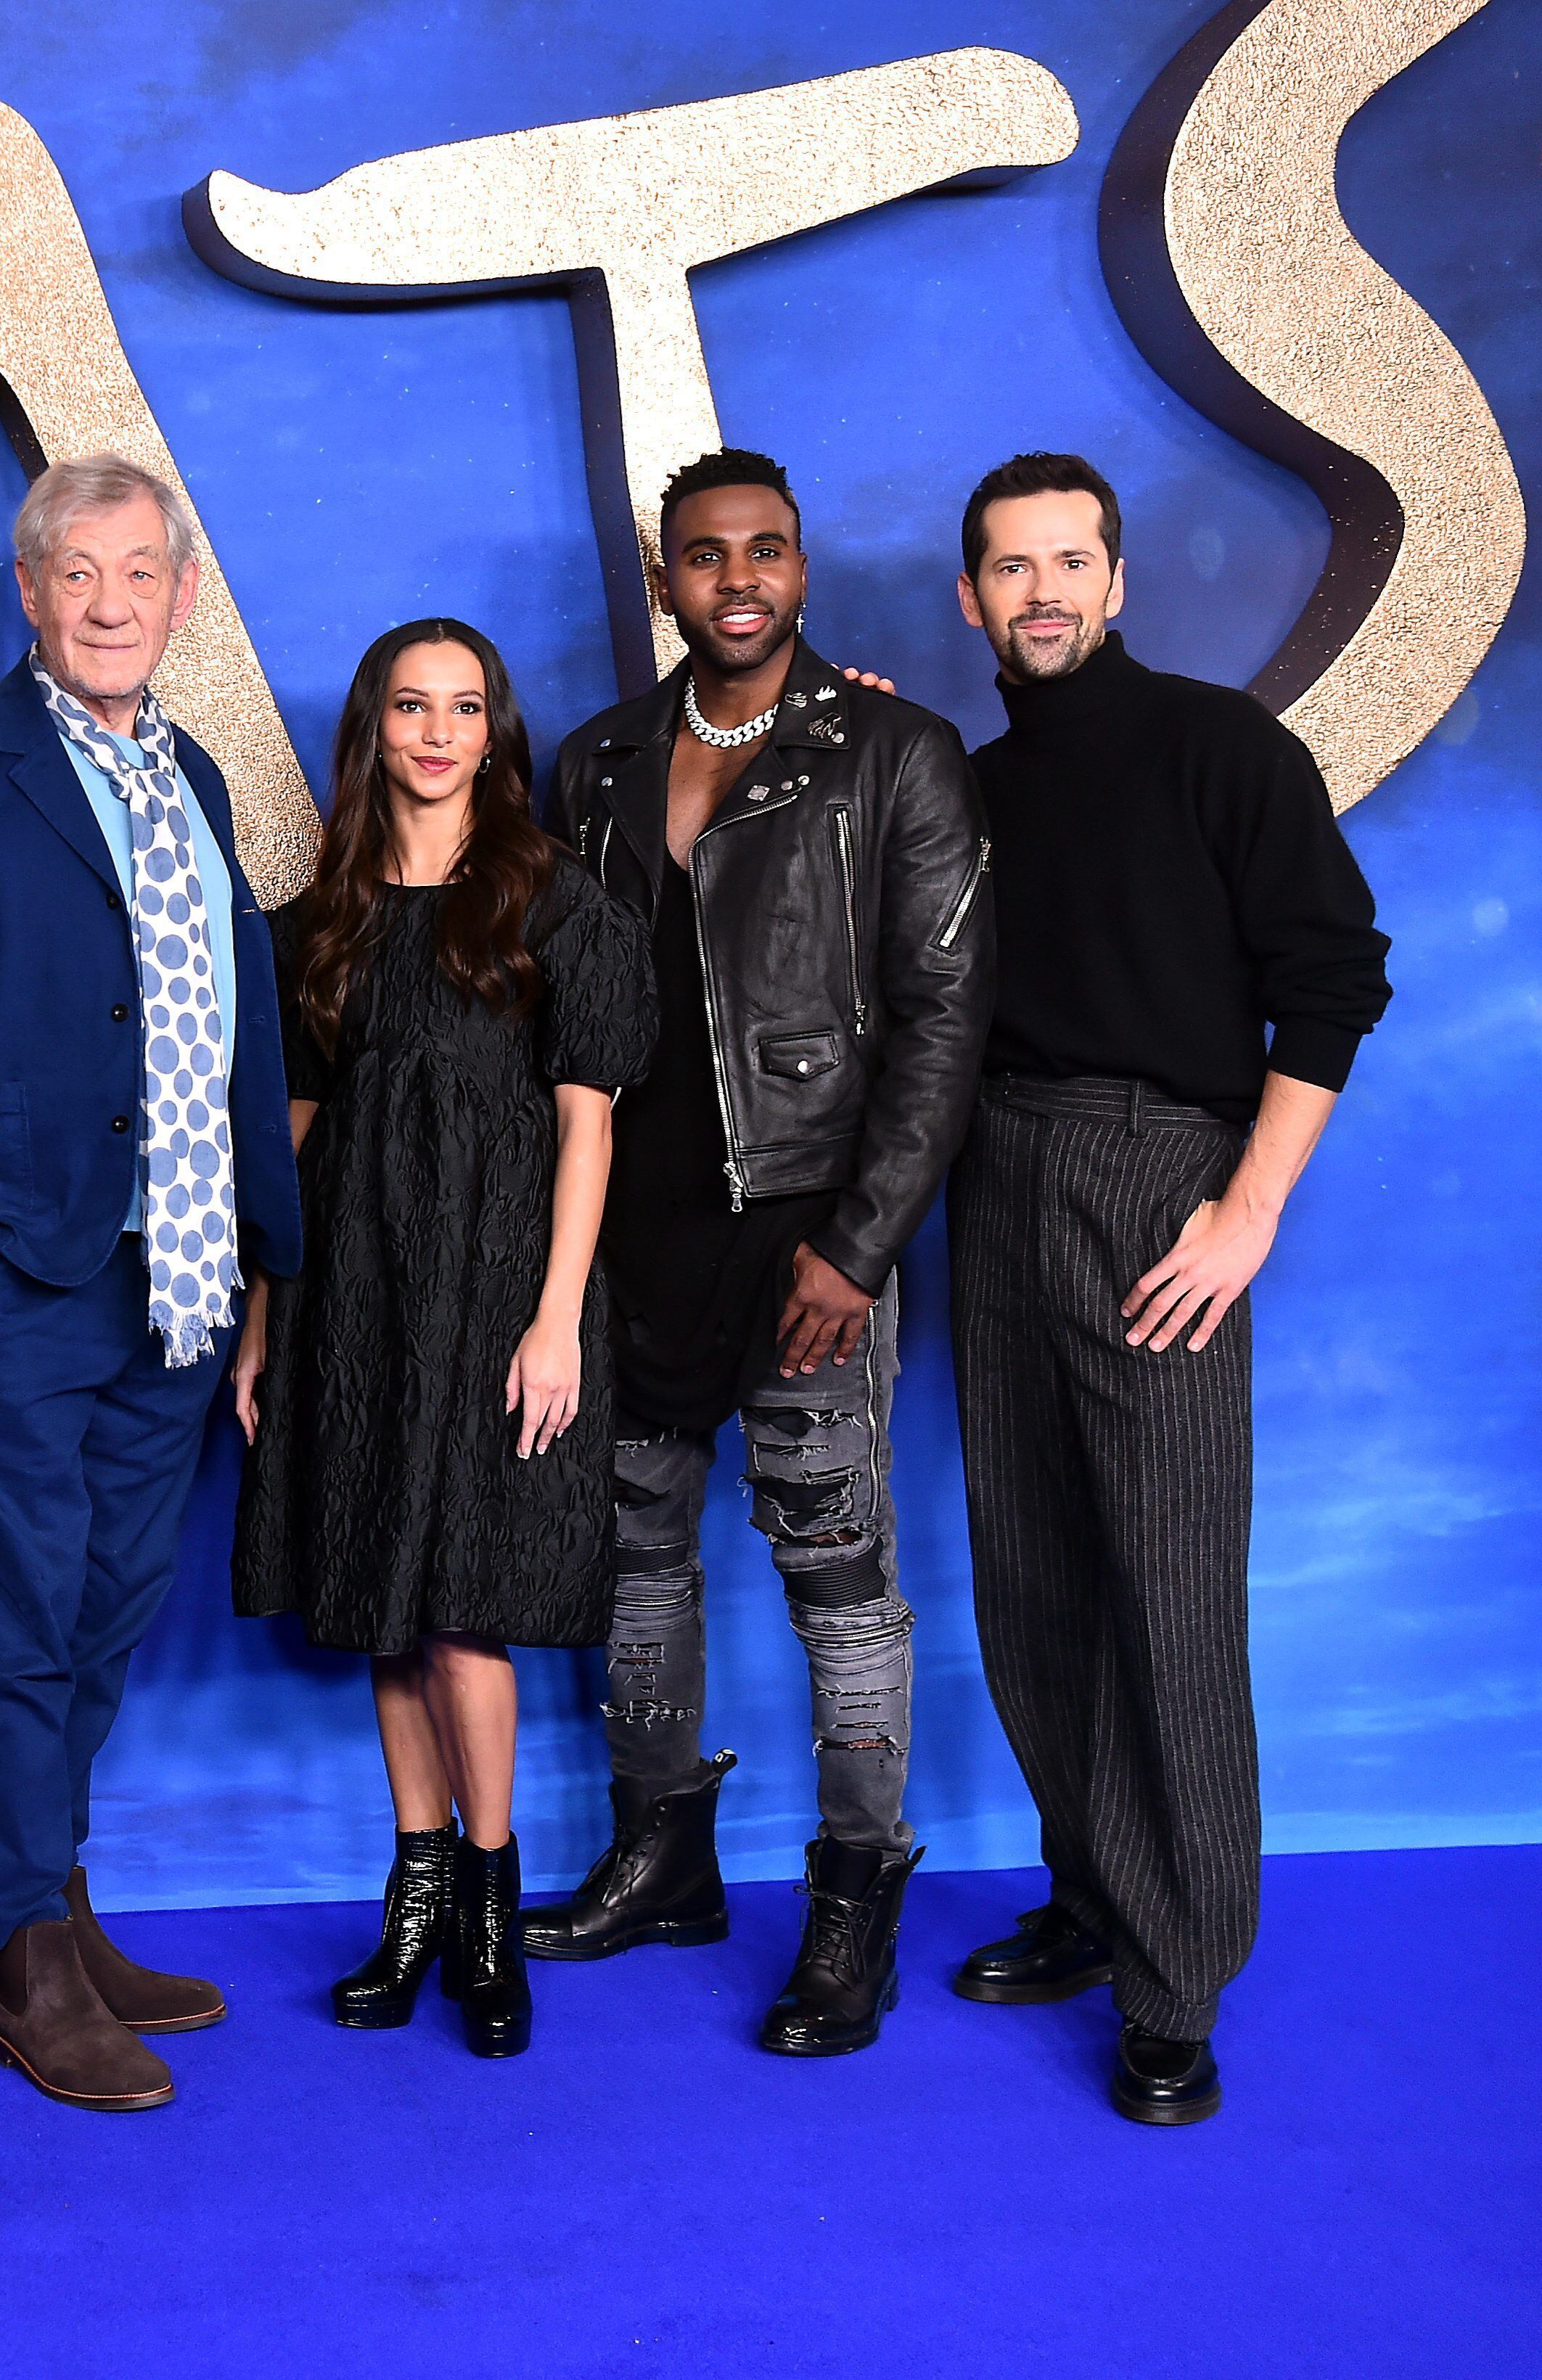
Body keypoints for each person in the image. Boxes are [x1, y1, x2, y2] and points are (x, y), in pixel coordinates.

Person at [0, 453, 301, 2113]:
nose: (108, 602)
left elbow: (229, 1024)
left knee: (105, 1603)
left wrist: (253, 1245)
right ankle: (21, 1950)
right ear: (27, 594)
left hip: (174, 1269)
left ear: (179, 594)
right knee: (11, 1610)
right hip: (16, 1268)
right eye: (74, 574)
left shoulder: (201, 782)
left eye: (137, 574)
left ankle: (55, 1897)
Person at [522, 447, 992, 2057]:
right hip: (632, 1242)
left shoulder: (894, 753)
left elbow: (942, 1028)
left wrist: (856, 1249)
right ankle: (661, 1851)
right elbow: (556, 1019)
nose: (737, 577)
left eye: (766, 550)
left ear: (803, 570)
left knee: (834, 1570)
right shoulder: (592, 765)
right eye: (704, 554)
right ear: (661, 579)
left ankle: (856, 1887)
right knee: (633, 1559)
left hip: (804, 1237)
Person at [940, 453, 1390, 2125]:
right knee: (1034, 1572)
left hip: (1162, 1179)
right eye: (1009, 565)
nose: (1041, 589)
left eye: (1070, 560)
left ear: (1116, 582)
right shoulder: (972, 789)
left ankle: (1176, 1980)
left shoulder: (1226, 748)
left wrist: (1246, 1211)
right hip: (997, 1168)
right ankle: (1091, 1889)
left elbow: (1334, 982)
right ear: (972, 596)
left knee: (1167, 1587)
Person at [231, 620, 652, 2059]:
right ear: (374, 727)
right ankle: (410, 1892)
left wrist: (555, 1318)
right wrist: (265, 1320)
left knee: (464, 1597)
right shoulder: (321, 919)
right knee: (383, 1587)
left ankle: (484, 1906)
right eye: (410, 705)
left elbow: (587, 1121)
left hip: (498, 1290)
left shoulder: (552, 903)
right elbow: (290, 1138)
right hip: (356, 1287)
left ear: (493, 732)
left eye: (462, 707)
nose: (435, 730)